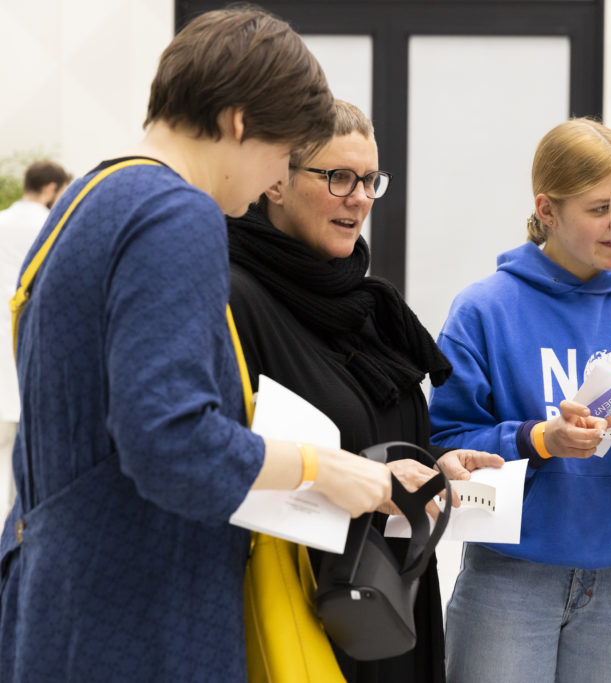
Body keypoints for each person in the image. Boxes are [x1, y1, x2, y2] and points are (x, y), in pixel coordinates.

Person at [0, 8, 397, 682]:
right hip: (133, 612)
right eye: (282, 153)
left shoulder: (91, 196)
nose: (276, 179)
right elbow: (169, 442)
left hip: (62, 594)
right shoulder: (176, 213)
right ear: (240, 122)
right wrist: (319, 467)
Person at [429, 117, 611, 683]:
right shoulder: (483, 311)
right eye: (600, 207)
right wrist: (539, 440)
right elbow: (445, 446)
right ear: (547, 209)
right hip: (509, 581)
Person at [227, 99, 503, 682]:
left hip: (388, 598)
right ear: (276, 182)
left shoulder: (369, 303)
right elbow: (229, 461)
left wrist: (433, 468)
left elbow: (379, 436)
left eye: (369, 180)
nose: (359, 197)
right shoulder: (235, 297)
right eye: (338, 178)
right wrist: (361, 478)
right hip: (307, 609)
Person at [0, 160, 72, 519]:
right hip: (22, 337)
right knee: (20, 443)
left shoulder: (1, 220)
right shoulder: (49, 226)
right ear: (51, 190)